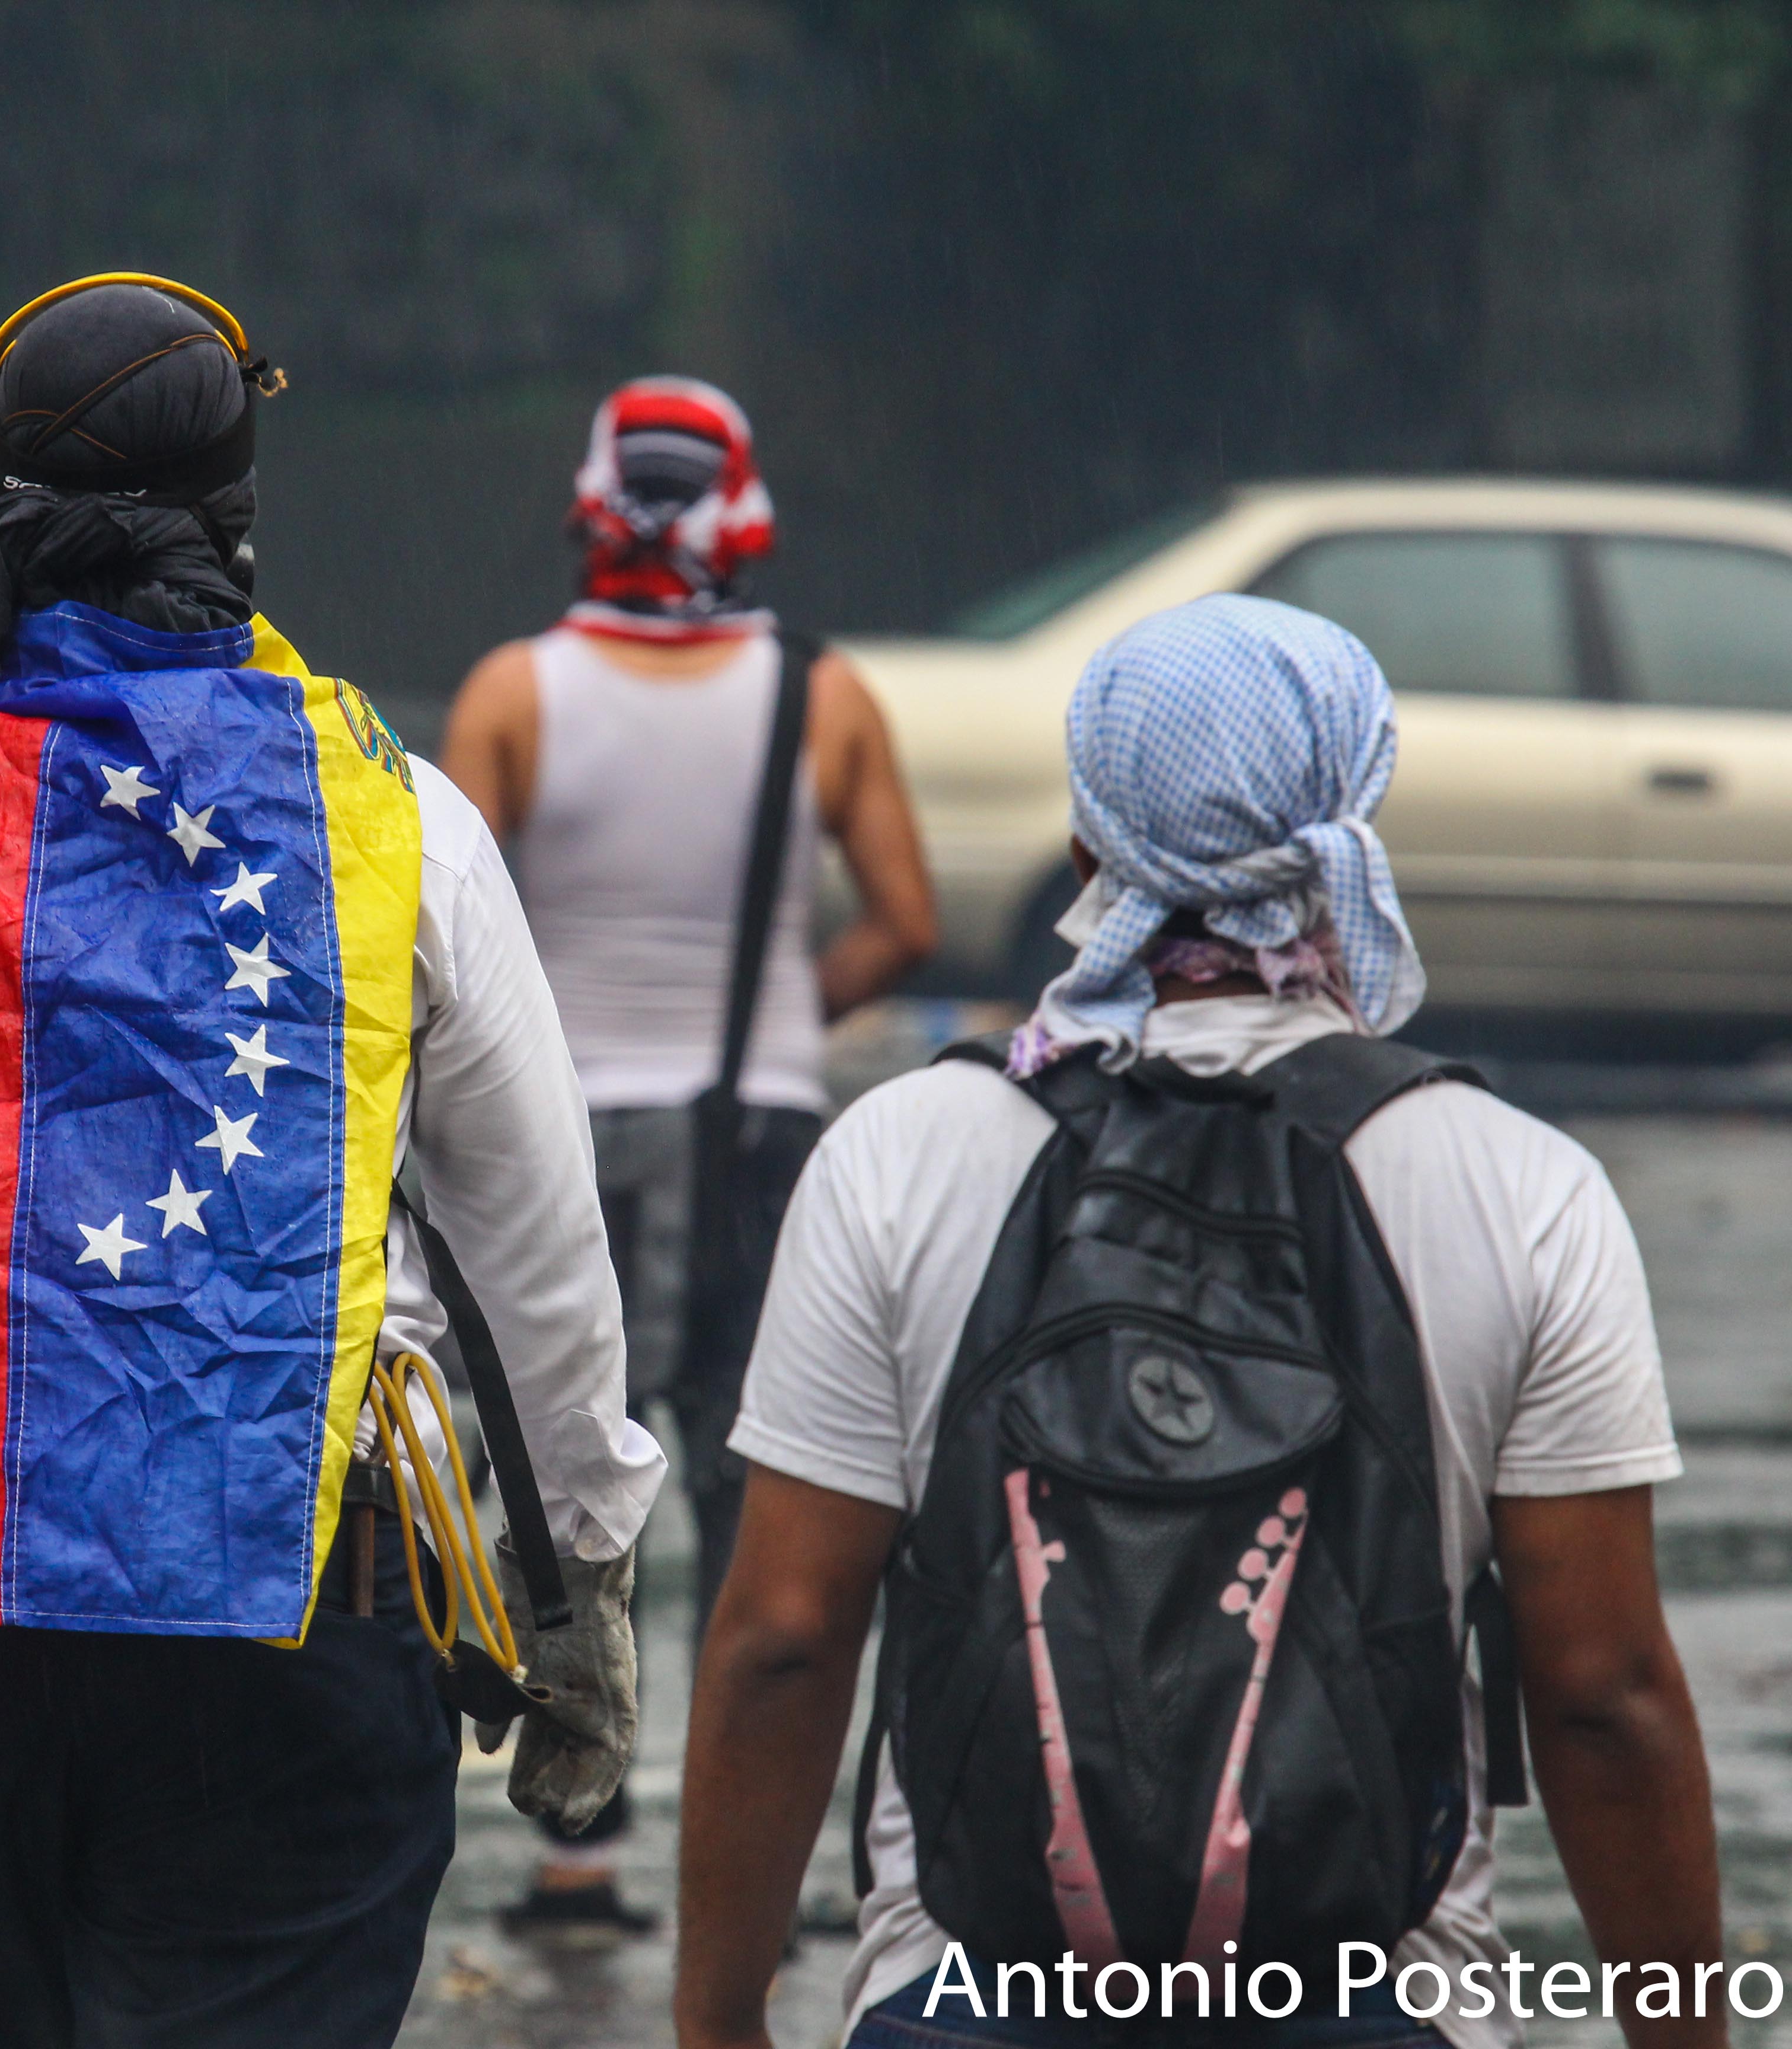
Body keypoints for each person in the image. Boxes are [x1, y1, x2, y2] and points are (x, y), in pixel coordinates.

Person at [0, 273, 666, 2048]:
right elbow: (531, 1255)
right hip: (290, 1626)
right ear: (240, 504)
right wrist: (581, 1582)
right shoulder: (397, 822)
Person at [676, 596, 1720, 2049]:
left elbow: (783, 1636)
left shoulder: (901, 1154)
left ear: (1091, 835)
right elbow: (1602, 1690)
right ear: (1358, 816)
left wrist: (716, 2026)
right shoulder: (1519, 1186)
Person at [440, 374, 935, 1933]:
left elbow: (441, 932)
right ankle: (758, 1863)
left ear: (592, 496)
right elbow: (908, 926)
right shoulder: (827, 695)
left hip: (558, 1140)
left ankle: (577, 1843)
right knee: (758, 1496)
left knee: (565, 1477)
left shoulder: (513, 692)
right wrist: (787, 1009)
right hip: (764, 1142)